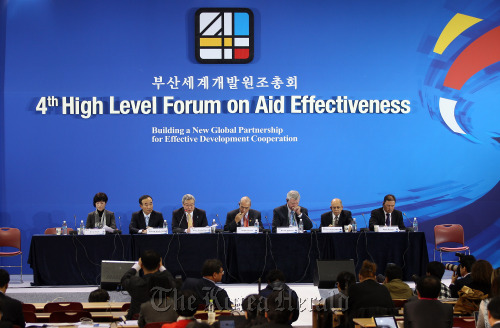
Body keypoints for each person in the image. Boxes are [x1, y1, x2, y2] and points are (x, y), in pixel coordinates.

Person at [121, 250, 176, 320]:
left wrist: (137, 266)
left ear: (142, 265)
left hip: (138, 321)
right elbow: (172, 280)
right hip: (161, 321)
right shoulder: (166, 283)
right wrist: (162, 267)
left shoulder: (135, 282)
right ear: (159, 265)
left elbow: (124, 279)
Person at [345, 260, 396, 325]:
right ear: (375, 277)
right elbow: (392, 311)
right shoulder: (384, 289)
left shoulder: (353, 288)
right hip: (381, 325)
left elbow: (346, 310)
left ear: (359, 276)